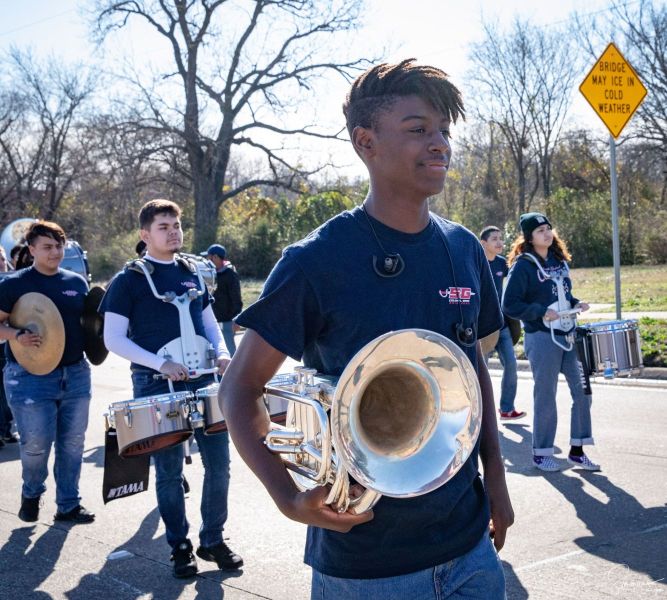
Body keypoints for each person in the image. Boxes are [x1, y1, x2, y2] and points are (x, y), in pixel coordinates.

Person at [220, 59, 513, 599]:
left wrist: (495, 479)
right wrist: (287, 497)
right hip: (366, 564)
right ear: (365, 141)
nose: (440, 144)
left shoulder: (465, 249)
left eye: (444, 130)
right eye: (418, 129)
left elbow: (471, 375)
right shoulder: (316, 260)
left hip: (469, 548)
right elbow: (239, 387)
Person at [100, 199, 243, 579]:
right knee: (168, 470)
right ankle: (179, 546)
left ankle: (212, 539)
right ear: (145, 235)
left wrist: (225, 355)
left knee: (220, 465)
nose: (174, 231)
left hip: (204, 377)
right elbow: (112, 338)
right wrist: (159, 363)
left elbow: (211, 325)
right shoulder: (128, 280)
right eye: (164, 226)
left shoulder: (194, 272)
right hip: (155, 382)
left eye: (177, 224)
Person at [0, 221, 95, 523]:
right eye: (47, 247)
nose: (55, 252)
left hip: (75, 372)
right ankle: (31, 491)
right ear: (31, 250)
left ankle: (68, 503)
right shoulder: (13, 284)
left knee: (72, 442)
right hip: (29, 376)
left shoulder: (77, 282)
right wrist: (16, 335)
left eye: (59, 246)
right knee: (36, 443)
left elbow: (92, 326)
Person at [502, 212, 600, 473]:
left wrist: (575, 302)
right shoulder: (523, 265)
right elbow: (509, 304)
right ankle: (541, 453)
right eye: (540, 231)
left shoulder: (558, 261)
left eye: (548, 228)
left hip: (569, 335)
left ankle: (577, 451)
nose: (547, 233)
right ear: (530, 238)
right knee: (546, 396)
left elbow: (561, 293)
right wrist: (540, 312)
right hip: (542, 337)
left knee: (583, 391)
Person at [479, 226, 524, 421]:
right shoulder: (475, 262)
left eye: (500, 239)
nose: (499, 243)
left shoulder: (502, 263)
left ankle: (506, 409)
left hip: (502, 323)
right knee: (482, 371)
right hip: (482, 328)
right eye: (494, 239)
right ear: (483, 244)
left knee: (512, 365)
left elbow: (514, 283)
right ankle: (480, 413)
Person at [201, 244, 242, 357]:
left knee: (229, 351)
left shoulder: (230, 274)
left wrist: (236, 319)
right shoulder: (208, 274)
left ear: (215, 257)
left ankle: (234, 374)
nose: (206, 260)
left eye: (208, 257)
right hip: (211, 321)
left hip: (226, 321)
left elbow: (236, 298)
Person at [0, 246, 18, 447]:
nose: (0, 263)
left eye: (2, 259)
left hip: (7, 346)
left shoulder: (12, 283)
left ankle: (5, 429)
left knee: (5, 394)